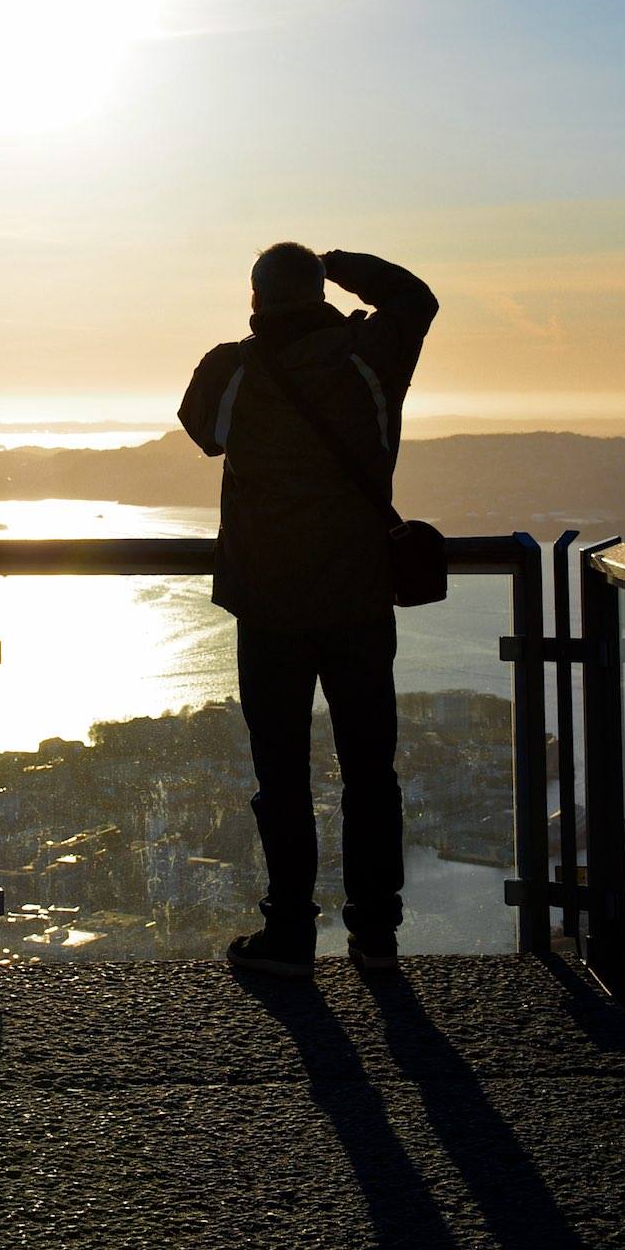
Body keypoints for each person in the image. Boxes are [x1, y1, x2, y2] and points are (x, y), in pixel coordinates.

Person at [180, 244, 438, 978]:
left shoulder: (229, 368)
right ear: (316, 291)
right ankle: (376, 934)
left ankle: (290, 932)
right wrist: (338, 261)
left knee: (282, 775)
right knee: (368, 770)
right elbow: (415, 297)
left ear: (255, 298)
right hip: (357, 598)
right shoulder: (370, 354)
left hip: (265, 603)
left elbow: (203, 432)